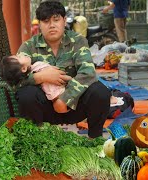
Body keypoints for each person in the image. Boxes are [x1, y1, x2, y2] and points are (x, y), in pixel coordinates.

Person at [14, 1, 111, 138]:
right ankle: (36, 140)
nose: (52, 25)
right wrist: (41, 77)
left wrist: (66, 98)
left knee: (100, 92)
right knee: (26, 95)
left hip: (74, 106)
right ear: (39, 24)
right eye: (46, 21)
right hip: (45, 107)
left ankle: (95, 139)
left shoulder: (78, 41)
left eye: (56, 19)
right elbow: (15, 80)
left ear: (64, 21)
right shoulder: (29, 46)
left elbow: (88, 73)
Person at [0, 54, 69, 113]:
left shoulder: (35, 65)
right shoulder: (35, 67)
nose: (21, 54)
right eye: (19, 57)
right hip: (57, 98)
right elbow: (15, 86)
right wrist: (41, 76)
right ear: (23, 69)